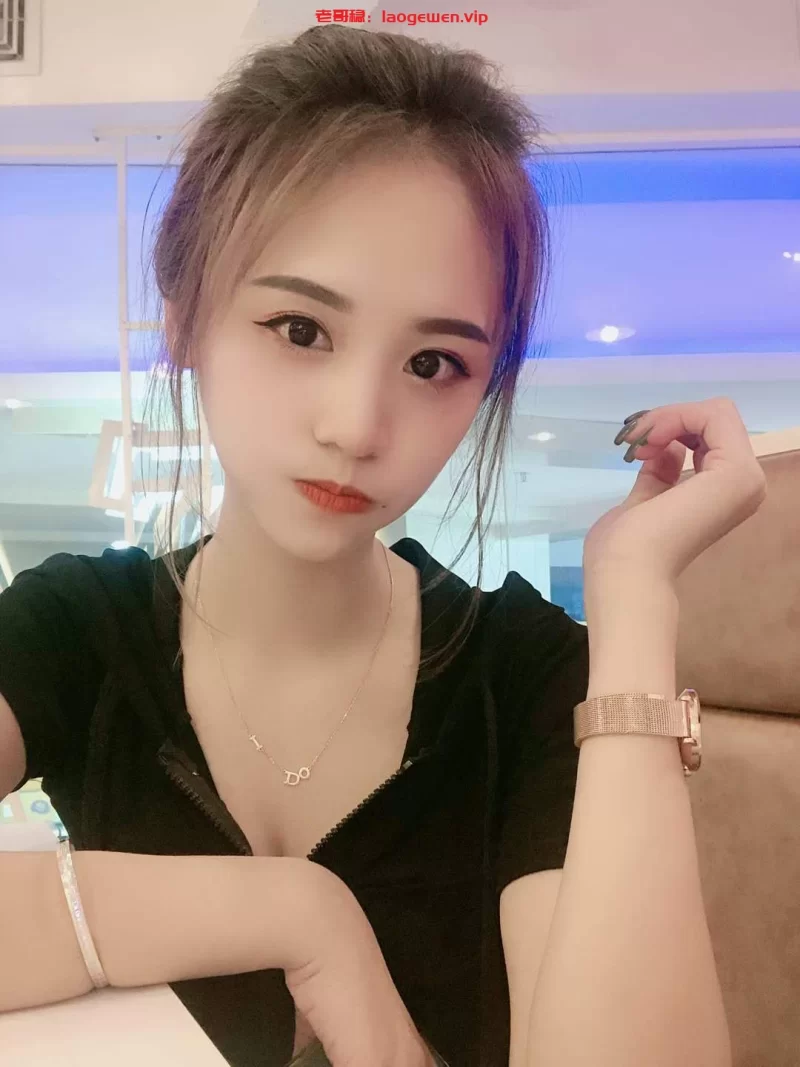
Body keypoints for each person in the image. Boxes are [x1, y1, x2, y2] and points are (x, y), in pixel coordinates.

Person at [0, 24, 763, 1067]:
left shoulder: (522, 675)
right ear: (182, 320)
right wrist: (296, 912)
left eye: (433, 362)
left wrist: (631, 601)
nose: (358, 426)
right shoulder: (72, 630)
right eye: (301, 330)